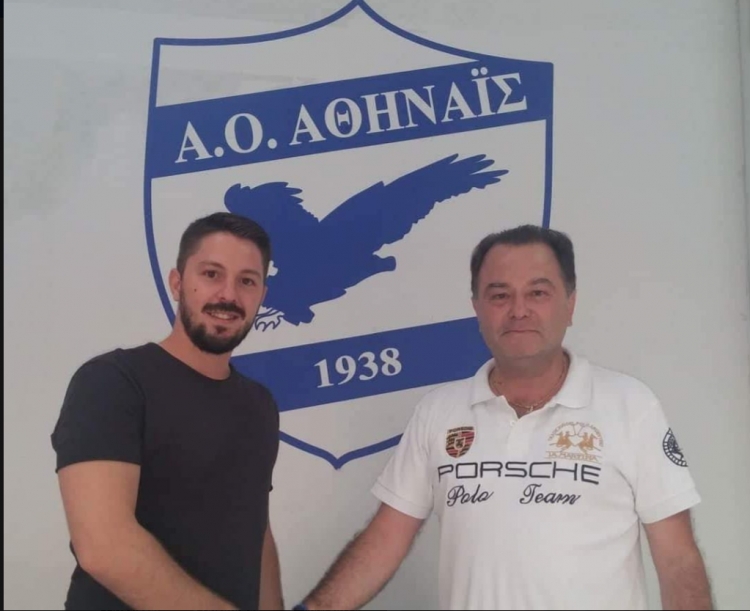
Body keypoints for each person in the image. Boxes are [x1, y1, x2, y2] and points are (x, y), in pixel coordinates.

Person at [293, 224, 713, 610]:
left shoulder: (630, 406)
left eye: (538, 293)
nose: (518, 310)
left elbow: (677, 561)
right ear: (477, 308)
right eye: (499, 296)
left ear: (570, 303)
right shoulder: (439, 411)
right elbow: (386, 538)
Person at [51, 212, 284, 610]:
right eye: (211, 274)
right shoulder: (114, 382)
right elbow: (103, 546)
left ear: (261, 294)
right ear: (177, 283)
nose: (228, 294)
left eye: (247, 281)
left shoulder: (259, 404)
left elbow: (255, 530)